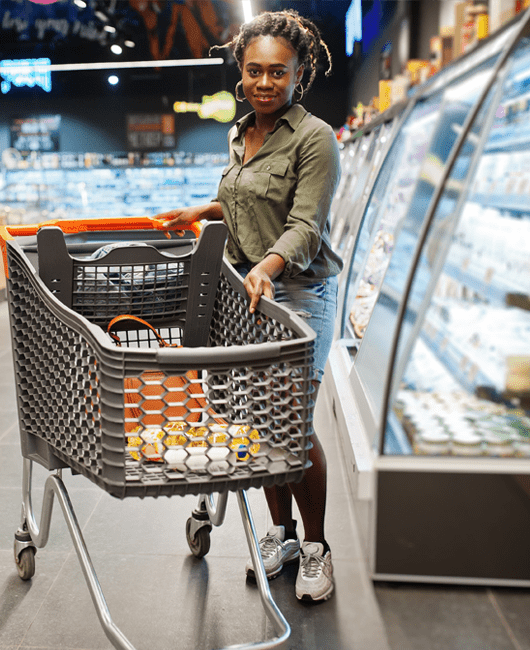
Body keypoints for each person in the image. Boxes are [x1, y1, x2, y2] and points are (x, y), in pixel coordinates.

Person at [153, 10, 342, 602]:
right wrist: (200, 210)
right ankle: (279, 535)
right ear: (241, 70)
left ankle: (315, 547)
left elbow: (305, 225)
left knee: (294, 424)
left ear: (299, 74)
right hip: (249, 295)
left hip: (299, 292)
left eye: (277, 73)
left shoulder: (315, 138)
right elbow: (243, 199)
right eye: (255, 70)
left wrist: (265, 266)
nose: (265, 82)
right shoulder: (241, 133)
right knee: (260, 421)